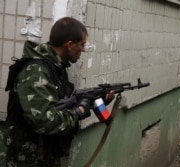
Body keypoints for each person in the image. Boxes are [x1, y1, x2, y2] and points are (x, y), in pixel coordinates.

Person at [4, 17, 114, 167]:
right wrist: (78, 111)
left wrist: (96, 102)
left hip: (46, 153)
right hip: (29, 157)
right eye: (81, 45)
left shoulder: (55, 67)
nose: (82, 50)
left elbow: (60, 105)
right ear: (69, 45)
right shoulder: (36, 72)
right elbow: (45, 121)